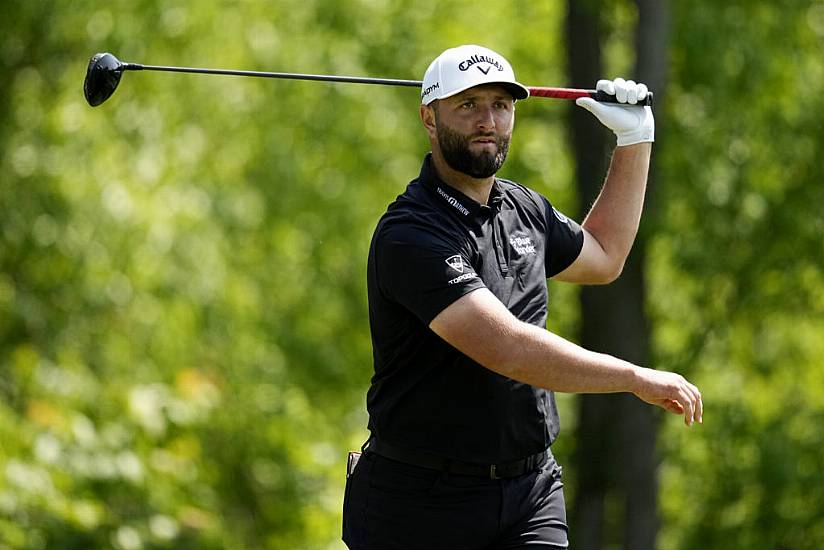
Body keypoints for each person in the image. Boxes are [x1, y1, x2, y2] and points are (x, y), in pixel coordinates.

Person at [342, 44, 702, 550]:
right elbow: (507, 349)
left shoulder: (523, 209)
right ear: (429, 115)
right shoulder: (410, 233)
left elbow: (604, 256)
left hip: (530, 492)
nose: (487, 120)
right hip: (420, 502)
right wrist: (633, 377)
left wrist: (635, 139)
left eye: (501, 105)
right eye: (468, 105)